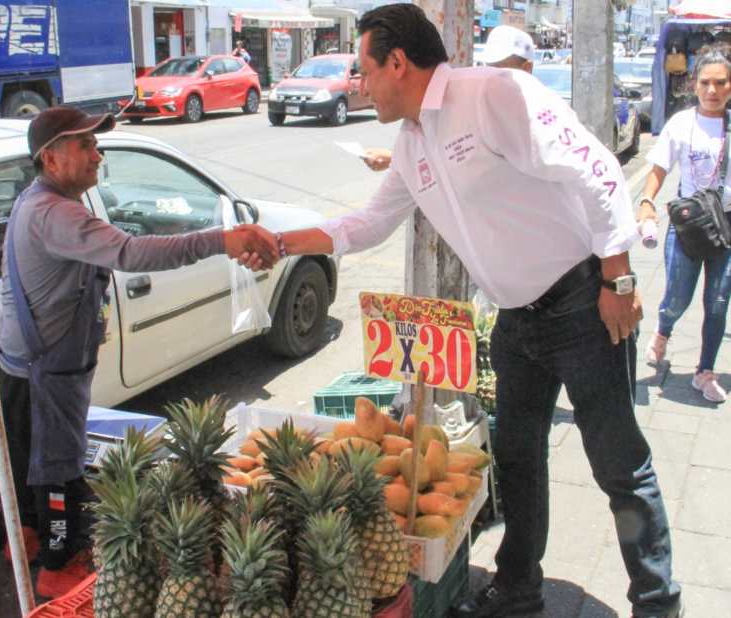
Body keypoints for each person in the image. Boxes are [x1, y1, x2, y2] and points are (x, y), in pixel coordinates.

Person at [256, 5, 682, 617]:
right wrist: (284, 242)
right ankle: (517, 591)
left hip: (582, 306)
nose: (360, 84)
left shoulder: (491, 97)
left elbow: (597, 172)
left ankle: (658, 602)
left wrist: (618, 278)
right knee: (516, 461)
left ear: (397, 62)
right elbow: (370, 224)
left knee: (619, 465)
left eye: (364, 69)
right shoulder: (411, 142)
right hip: (515, 322)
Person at [0, 106, 276, 599]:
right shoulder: (53, 214)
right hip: (45, 373)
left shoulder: (40, 202)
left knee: (32, 462)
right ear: (51, 158)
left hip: (31, 366)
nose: (97, 155)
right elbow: (132, 253)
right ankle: (56, 568)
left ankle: (29, 537)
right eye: (85, 145)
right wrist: (222, 240)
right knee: (58, 468)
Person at [639, 44, 731, 403]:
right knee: (677, 297)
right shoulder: (682, 123)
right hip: (688, 226)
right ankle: (663, 330)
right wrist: (646, 201)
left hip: (727, 227)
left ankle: (704, 372)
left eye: (721, 83)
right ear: (694, 85)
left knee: (719, 302)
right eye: (706, 82)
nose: (713, 90)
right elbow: (658, 169)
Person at [361, 24, 533, 172]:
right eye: (489, 67)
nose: (492, 76)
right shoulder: (475, 105)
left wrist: (393, 160)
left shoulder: (532, 116)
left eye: (501, 69)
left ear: (527, 68)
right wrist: (396, 160)